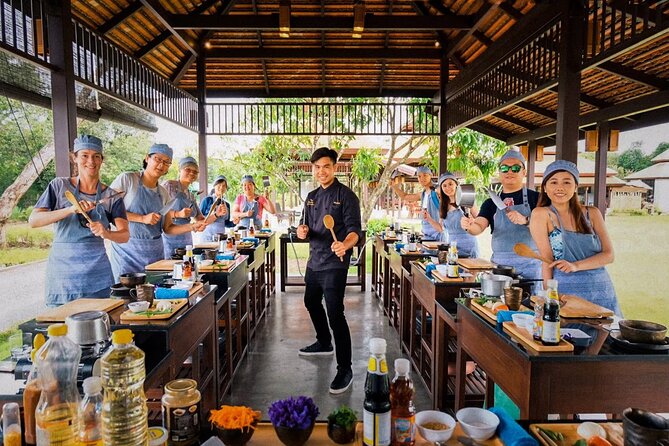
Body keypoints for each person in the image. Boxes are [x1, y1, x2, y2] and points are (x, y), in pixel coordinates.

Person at [29, 135, 129, 306]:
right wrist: (70, 209)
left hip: (97, 273)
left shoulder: (111, 196)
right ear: (74, 158)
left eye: (96, 156)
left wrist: (106, 233)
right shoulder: (59, 186)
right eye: (85, 155)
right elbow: (34, 220)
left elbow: (124, 235)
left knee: (99, 324)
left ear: (101, 160)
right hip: (63, 275)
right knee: (62, 326)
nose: (91, 161)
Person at [296, 147, 361, 394]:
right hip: (315, 261)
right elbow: (306, 226)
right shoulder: (311, 196)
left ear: (334, 167)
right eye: (317, 167)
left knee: (335, 313)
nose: (321, 171)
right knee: (311, 301)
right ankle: (324, 342)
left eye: (326, 166)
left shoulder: (346, 196)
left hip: (336, 262)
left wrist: (344, 244)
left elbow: (355, 230)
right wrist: (302, 231)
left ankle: (345, 368)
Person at [529, 160, 620, 315]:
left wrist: (575, 266)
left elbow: (609, 255)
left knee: (606, 335)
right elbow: (546, 260)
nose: (560, 187)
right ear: (545, 187)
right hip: (566, 291)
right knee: (568, 337)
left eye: (567, 182)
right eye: (553, 182)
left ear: (576, 187)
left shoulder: (592, 213)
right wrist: (550, 296)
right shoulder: (541, 214)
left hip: (601, 290)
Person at [109, 144, 205, 280]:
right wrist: (141, 218)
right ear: (147, 158)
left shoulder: (163, 193)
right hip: (127, 253)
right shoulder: (128, 179)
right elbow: (108, 209)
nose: (161, 165)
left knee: (156, 297)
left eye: (166, 162)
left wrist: (192, 226)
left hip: (155, 256)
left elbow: (168, 228)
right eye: (158, 159)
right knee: (129, 297)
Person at [461, 149, 541, 280]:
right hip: (500, 268)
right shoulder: (491, 202)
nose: (509, 171)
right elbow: (479, 226)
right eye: (504, 168)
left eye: (515, 168)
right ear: (499, 172)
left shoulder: (537, 199)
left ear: (524, 172)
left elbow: (550, 226)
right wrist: (469, 226)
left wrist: (526, 220)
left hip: (531, 266)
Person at [423, 172, 480, 258]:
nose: (448, 188)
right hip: (453, 248)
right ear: (441, 188)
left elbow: (480, 220)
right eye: (444, 186)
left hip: (469, 246)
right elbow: (441, 228)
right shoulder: (443, 205)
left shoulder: (466, 199)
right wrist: (429, 219)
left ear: (456, 185)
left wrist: (473, 222)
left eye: (450, 184)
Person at [161, 156, 205, 258]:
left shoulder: (191, 195)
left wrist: (216, 214)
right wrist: (178, 214)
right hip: (170, 237)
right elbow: (158, 211)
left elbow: (200, 218)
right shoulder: (169, 186)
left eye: (195, 171)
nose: (191, 173)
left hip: (186, 238)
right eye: (188, 169)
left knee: (187, 268)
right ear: (180, 170)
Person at [391, 166, 442, 240]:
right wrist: (395, 187)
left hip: (438, 232)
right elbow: (405, 196)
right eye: (419, 176)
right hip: (426, 232)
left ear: (430, 176)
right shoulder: (423, 193)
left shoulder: (437, 189)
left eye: (425, 175)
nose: (422, 178)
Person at [200, 175, 234, 241]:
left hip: (221, 239)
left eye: (224, 186)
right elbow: (199, 220)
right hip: (207, 238)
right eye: (219, 185)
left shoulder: (227, 204)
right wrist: (216, 214)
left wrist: (234, 222)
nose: (221, 187)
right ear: (214, 186)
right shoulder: (207, 200)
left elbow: (226, 223)